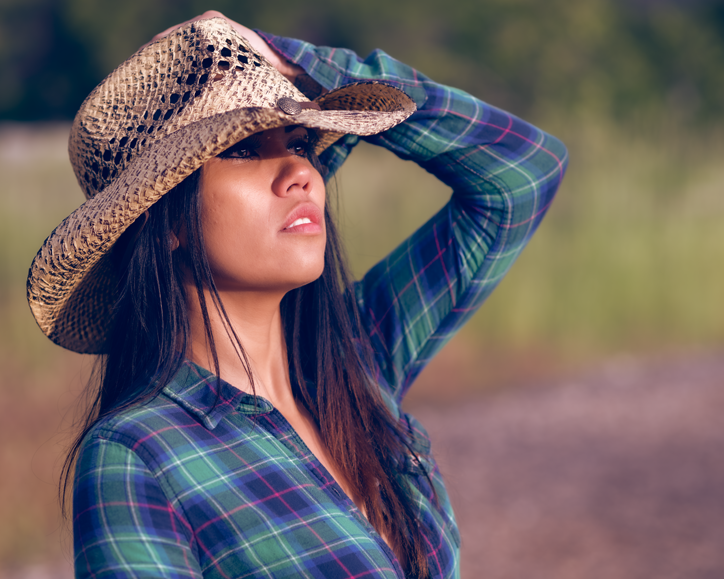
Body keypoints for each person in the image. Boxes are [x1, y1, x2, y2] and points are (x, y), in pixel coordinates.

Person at [26, 11, 567, 578]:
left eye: (302, 142)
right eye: (242, 151)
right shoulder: (138, 457)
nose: (301, 174)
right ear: (165, 221)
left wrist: (299, 65)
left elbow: (524, 173)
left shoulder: (358, 362)